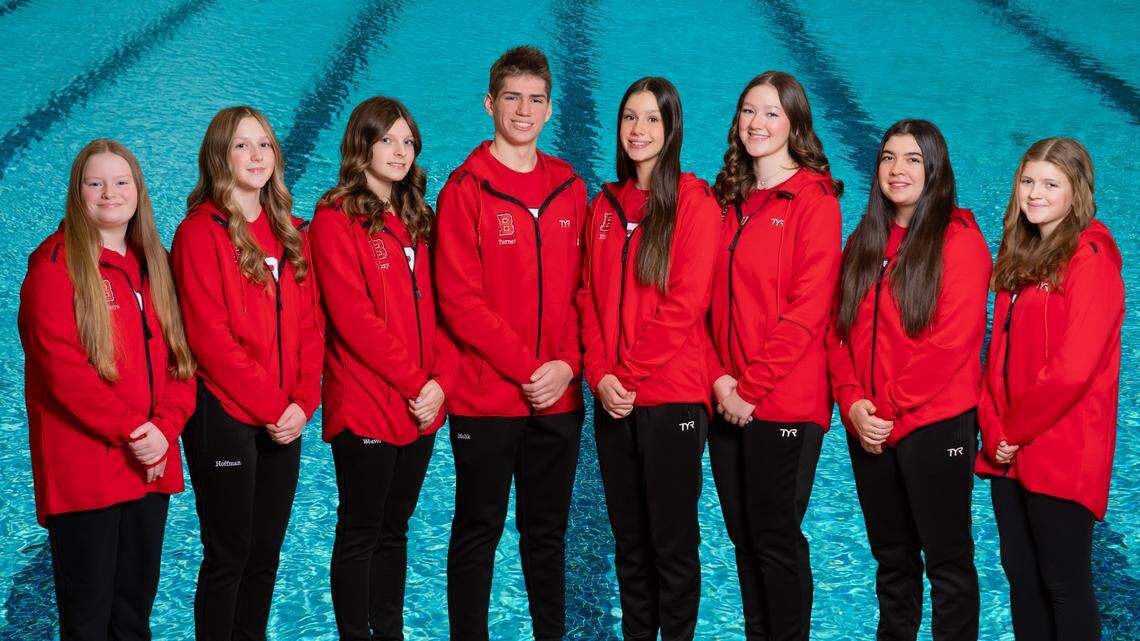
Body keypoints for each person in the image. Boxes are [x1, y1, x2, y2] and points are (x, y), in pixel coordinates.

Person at [433, 46, 587, 641]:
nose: (524, 110)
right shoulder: (465, 189)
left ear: (550, 109)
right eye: (513, 98)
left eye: (536, 100)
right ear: (489, 104)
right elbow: (460, 301)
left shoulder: (570, 187)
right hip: (486, 397)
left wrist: (567, 366)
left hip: (559, 400)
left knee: (547, 534)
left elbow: (585, 291)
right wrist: (532, 369)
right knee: (478, 531)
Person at [19, 139, 196, 640]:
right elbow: (64, 373)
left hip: (148, 466)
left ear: (138, 190)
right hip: (88, 471)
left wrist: (165, 429)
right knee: (89, 621)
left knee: (134, 616)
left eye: (121, 182)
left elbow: (183, 362)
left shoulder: (154, 263)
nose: (109, 193)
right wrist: (139, 434)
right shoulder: (54, 266)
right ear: (78, 193)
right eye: (95, 183)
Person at [825, 119, 990, 641]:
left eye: (913, 159)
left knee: (947, 566)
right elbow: (837, 331)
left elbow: (952, 344)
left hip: (932, 427)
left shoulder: (960, 240)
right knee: (892, 563)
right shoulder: (865, 240)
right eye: (889, 157)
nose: (898, 170)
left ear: (934, 170)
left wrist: (887, 409)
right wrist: (852, 403)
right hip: (869, 426)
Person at [171, 106, 323, 641]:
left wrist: (303, 404)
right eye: (242, 146)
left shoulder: (290, 232)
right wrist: (275, 407)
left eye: (264, 145)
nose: (256, 156)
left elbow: (311, 328)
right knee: (228, 555)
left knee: (265, 557)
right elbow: (210, 340)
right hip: (226, 414)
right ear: (219, 156)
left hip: (286, 417)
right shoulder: (199, 234)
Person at [578, 76, 720, 641]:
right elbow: (587, 295)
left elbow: (686, 304)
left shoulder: (694, 202)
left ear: (671, 128)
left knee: (673, 548)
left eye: (651, 119)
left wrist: (627, 376)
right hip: (613, 401)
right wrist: (600, 376)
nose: (638, 130)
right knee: (629, 547)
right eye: (629, 118)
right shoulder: (605, 205)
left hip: (672, 401)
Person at [309, 96, 454, 641]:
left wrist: (439, 383)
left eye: (407, 141)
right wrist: (420, 382)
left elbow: (444, 308)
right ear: (362, 144)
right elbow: (354, 319)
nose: (399, 151)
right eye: (387, 139)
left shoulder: (420, 217)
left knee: (396, 531)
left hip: (421, 406)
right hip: (368, 401)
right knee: (361, 532)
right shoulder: (335, 217)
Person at [705, 71, 842, 641]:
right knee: (743, 537)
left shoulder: (814, 200)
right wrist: (718, 381)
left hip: (783, 402)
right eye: (748, 112)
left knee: (775, 536)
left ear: (794, 125)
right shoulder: (726, 201)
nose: (757, 124)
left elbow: (808, 311)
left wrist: (750, 389)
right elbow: (700, 304)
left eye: (771, 113)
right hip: (726, 398)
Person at [975, 138, 1121, 641]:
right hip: (1008, 450)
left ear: (1076, 191)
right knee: (1022, 580)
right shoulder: (1021, 253)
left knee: (1063, 582)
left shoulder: (1092, 259)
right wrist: (992, 426)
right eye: (1028, 181)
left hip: (1061, 450)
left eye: (1050, 184)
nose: (1035, 193)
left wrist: (1010, 430)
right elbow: (998, 358)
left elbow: (1073, 370)